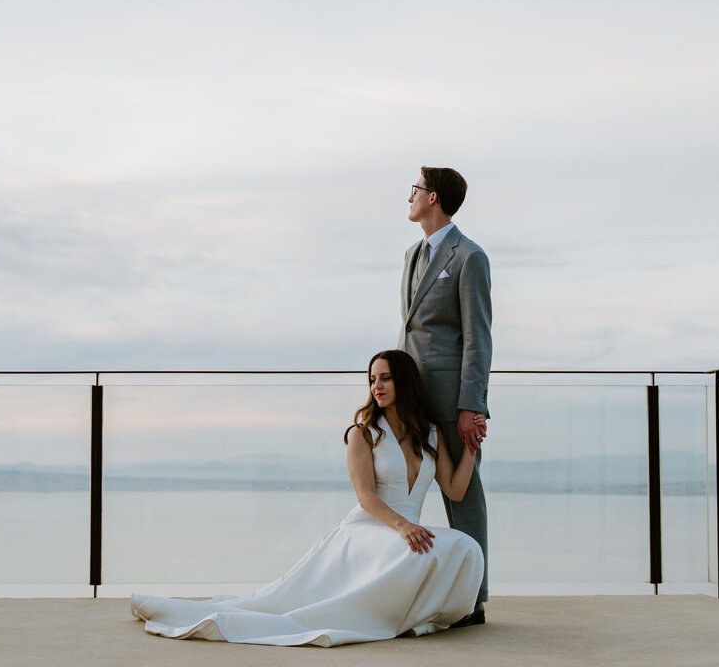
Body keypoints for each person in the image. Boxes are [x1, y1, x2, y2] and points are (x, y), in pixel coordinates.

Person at [130, 350, 485, 646]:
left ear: (405, 382)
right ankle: (391, 618)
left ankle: (423, 619)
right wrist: (404, 526)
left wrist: (470, 447)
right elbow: (365, 497)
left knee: (467, 547)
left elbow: (454, 489)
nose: (376, 386)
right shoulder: (363, 434)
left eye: (385, 378)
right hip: (370, 528)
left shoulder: (431, 435)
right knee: (414, 552)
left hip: (405, 529)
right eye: (372, 379)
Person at [399, 166, 493, 626]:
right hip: (410, 398)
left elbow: (478, 336)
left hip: (452, 399)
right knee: (403, 488)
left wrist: (471, 406)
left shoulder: (469, 256)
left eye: (414, 189)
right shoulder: (411, 255)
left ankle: (473, 599)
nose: (409, 195)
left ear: (433, 198)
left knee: (463, 497)